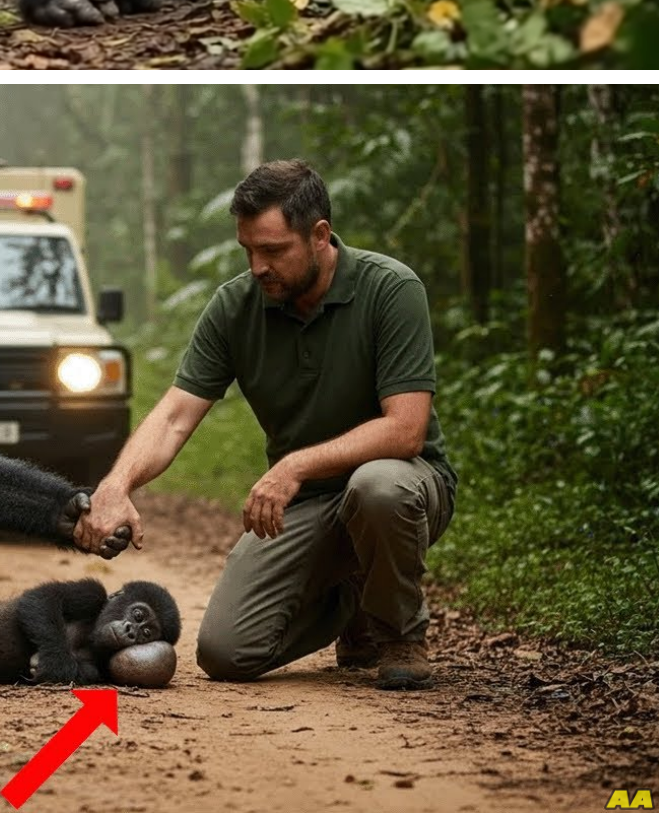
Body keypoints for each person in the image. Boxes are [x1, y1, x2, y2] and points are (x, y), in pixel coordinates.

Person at [73, 160, 457, 691]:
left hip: (402, 484)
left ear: (319, 235)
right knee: (226, 653)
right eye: (248, 250)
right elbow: (175, 416)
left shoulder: (390, 289)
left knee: (377, 488)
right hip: (307, 505)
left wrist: (295, 464)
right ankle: (355, 606)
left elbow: (405, 430)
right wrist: (117, 486)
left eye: (273, 250)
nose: (258, 266)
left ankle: (399, 633)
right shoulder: (236, 306)